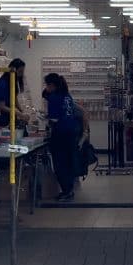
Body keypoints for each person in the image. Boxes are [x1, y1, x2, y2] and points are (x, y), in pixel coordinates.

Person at [44, 73, 81, 202]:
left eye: (47, 85)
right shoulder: (67, 96)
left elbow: (54, 119)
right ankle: (69, 190)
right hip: (71, 132)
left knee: (59, 163)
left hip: (60, 133)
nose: (46, 88)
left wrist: (46, 120)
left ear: (51, 85)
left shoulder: (54, 98)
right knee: (68, 161)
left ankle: (65, 191)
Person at [0, 59, 29, 130]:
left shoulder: (12, 81)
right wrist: (18, 113)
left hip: (10, 115)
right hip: (1, 117)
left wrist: (21, 111)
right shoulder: (2, 84)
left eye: (22, 72)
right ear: (12, 70)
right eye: (20, 72)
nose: (21, 74)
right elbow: (2, 106)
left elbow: (14, 97)